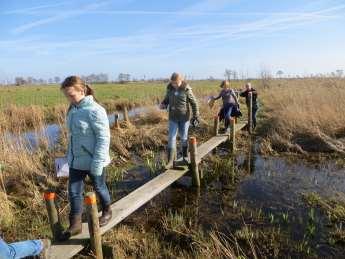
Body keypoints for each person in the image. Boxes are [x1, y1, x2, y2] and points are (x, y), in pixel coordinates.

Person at [59, 76, 112, 241]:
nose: (69, 99)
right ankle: (75, 224)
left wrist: (97, 163)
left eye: (72, 95)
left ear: (82, 91)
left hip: (94, 160)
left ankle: (107, 211)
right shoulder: (73, 109)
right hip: (76, 162)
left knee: (99, 187)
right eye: (66, 95)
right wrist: (69, 156)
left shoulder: (95, 110)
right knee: (74, 192)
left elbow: (104, 138)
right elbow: (73, 137)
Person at [160, 72, 199, 168]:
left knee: (183, 137)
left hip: (184, 117)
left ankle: (185, 157)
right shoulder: (170, 89)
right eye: (173, 83)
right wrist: (163, 104)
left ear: (181, 81)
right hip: (173, 117)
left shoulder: (186, 89)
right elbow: (166, 99)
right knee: (171, 137)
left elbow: (194, 103)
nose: (175, 85)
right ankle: (170, 161)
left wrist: (196, 116)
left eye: (176, 83)